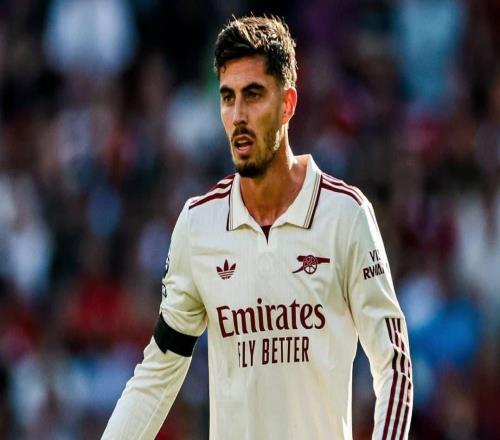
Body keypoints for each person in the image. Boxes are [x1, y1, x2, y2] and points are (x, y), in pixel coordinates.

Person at [103, 15, 412, 439]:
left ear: (287, 104)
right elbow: (158, 371)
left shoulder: (345, 215)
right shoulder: (199, 225)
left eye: (253, 95)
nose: (238, 116)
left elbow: (393, 362)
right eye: (227, 98)